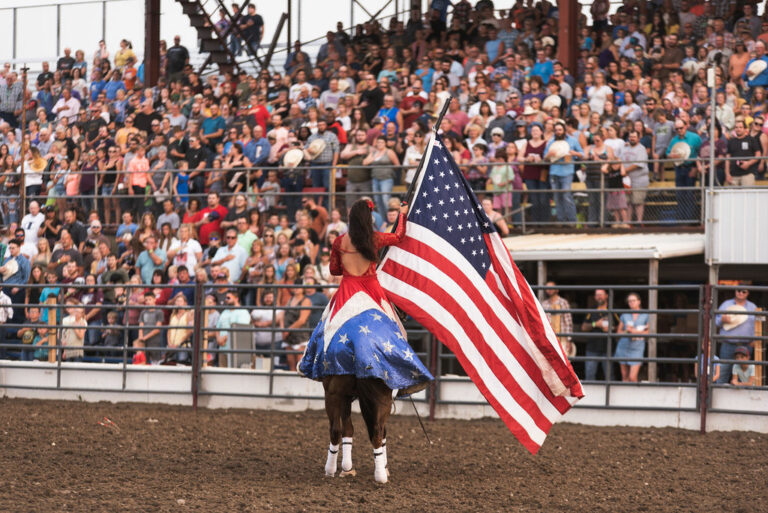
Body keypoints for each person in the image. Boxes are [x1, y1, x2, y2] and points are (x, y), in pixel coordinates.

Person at [299, 200, 432, 395]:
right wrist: (402, 214)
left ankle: (311, 365)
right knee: (397, 331)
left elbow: (334, 269)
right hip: (371, 289)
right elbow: (398, 236)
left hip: (346, 289)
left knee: (325, 327)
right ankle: (402, 380)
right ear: (368, 218)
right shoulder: (375, 238)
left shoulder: (339, 241)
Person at [715, 285, 758, 384]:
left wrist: (756, 339)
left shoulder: (753, 307)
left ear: (748, 293)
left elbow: (758, 325)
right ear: (735, 291)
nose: (741, 293)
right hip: (728, 344)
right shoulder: (726, 305)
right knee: (723, 372)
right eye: (739, 290)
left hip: (746, 345)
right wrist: (722, 319)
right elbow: (716, 322)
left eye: (744, 291)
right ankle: (719, 394)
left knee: (743, 375)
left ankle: (741, 397)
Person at [581, 289, 619, 381]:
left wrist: (611, 329)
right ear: (595, 297)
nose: (599, 297)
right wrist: (595, 324)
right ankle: (590, 396)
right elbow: (583, 327)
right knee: (590, 376)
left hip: (608, 348)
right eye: (597, 295)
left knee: (610, 376)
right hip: (592, 348)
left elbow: (620, 327)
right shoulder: (592, 311)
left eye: (601, 295)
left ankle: (610, 395)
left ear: (606, 296)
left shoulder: (613, 311)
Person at [614, 293, 649, 382]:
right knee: (625, 377)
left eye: (633, 301)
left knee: (632, 377)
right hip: (623, 346)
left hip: (637, 347)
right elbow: (618, 332)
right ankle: (624, 395)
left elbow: (648, 332)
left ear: (639, 302)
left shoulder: (646, 315)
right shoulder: (625, 315)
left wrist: (634, 331)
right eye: (629, 301)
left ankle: (634, 395)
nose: (631, 303)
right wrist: (627, 331)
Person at [542, 281, 575, 358]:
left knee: (563, 361)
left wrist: (569, 340)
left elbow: (568, 322)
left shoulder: (563, 302)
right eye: (547, 288)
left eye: (551, 288)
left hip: (562, 338)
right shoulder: (544, 304)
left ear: (557, 290)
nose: (549, 289)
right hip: (549, 339)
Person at [136, 291, 165, 364]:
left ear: (154, 299)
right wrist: (140, 337)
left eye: (150, 299)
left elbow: (157, 329)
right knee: (144, 361)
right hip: (144, 342)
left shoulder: (159, 312)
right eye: (146, 300)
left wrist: (144, 337)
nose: (148, 302)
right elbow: (141, 325)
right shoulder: (143, 312)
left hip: (155, 342)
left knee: (156, 362)